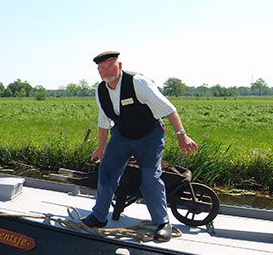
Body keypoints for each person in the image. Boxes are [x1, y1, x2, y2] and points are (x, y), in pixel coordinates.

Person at [81, 51, 198, 242]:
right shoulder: (101, 90)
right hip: (122, 135)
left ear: (119, 66)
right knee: (107, 170)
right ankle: (99, 216)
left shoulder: (137, 82)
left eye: (110, 66)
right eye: (102, 68)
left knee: (150, 179)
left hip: (149, 136)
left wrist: (182, 135)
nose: (106, 71)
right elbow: (103, 122)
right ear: (98, 71)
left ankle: (162, 223)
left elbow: (168, 108)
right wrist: (101, 148)